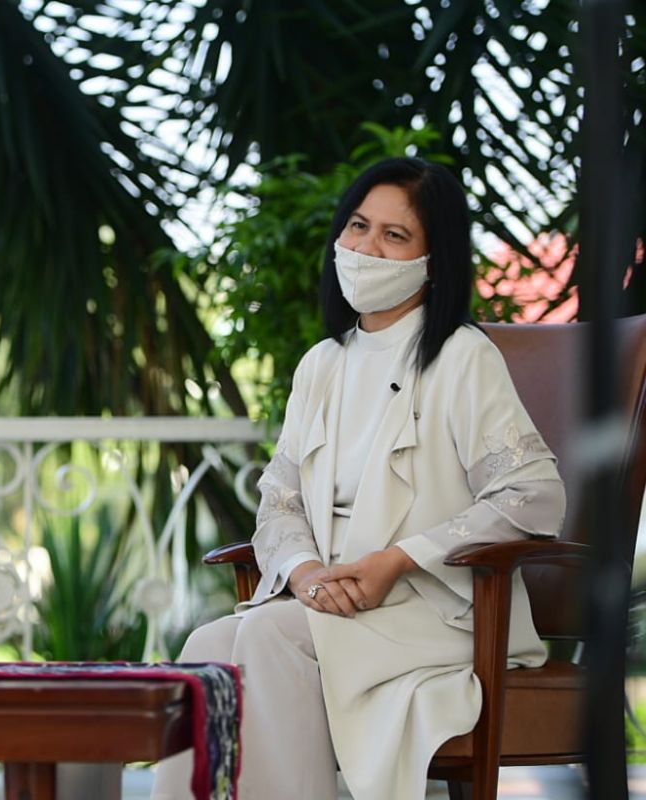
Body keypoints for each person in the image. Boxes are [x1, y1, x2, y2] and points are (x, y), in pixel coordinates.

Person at [150, 157, 565, 800]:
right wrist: (307, 574)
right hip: (330, 601)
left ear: (434, 260)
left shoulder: (461, 358)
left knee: (264, 633)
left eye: (394, 236)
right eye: (357, 226)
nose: (366, 248)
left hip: (436, 611)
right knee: (209, 644)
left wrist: (397, 562)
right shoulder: (322, 365)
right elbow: (279, 501)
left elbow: (533, 493)